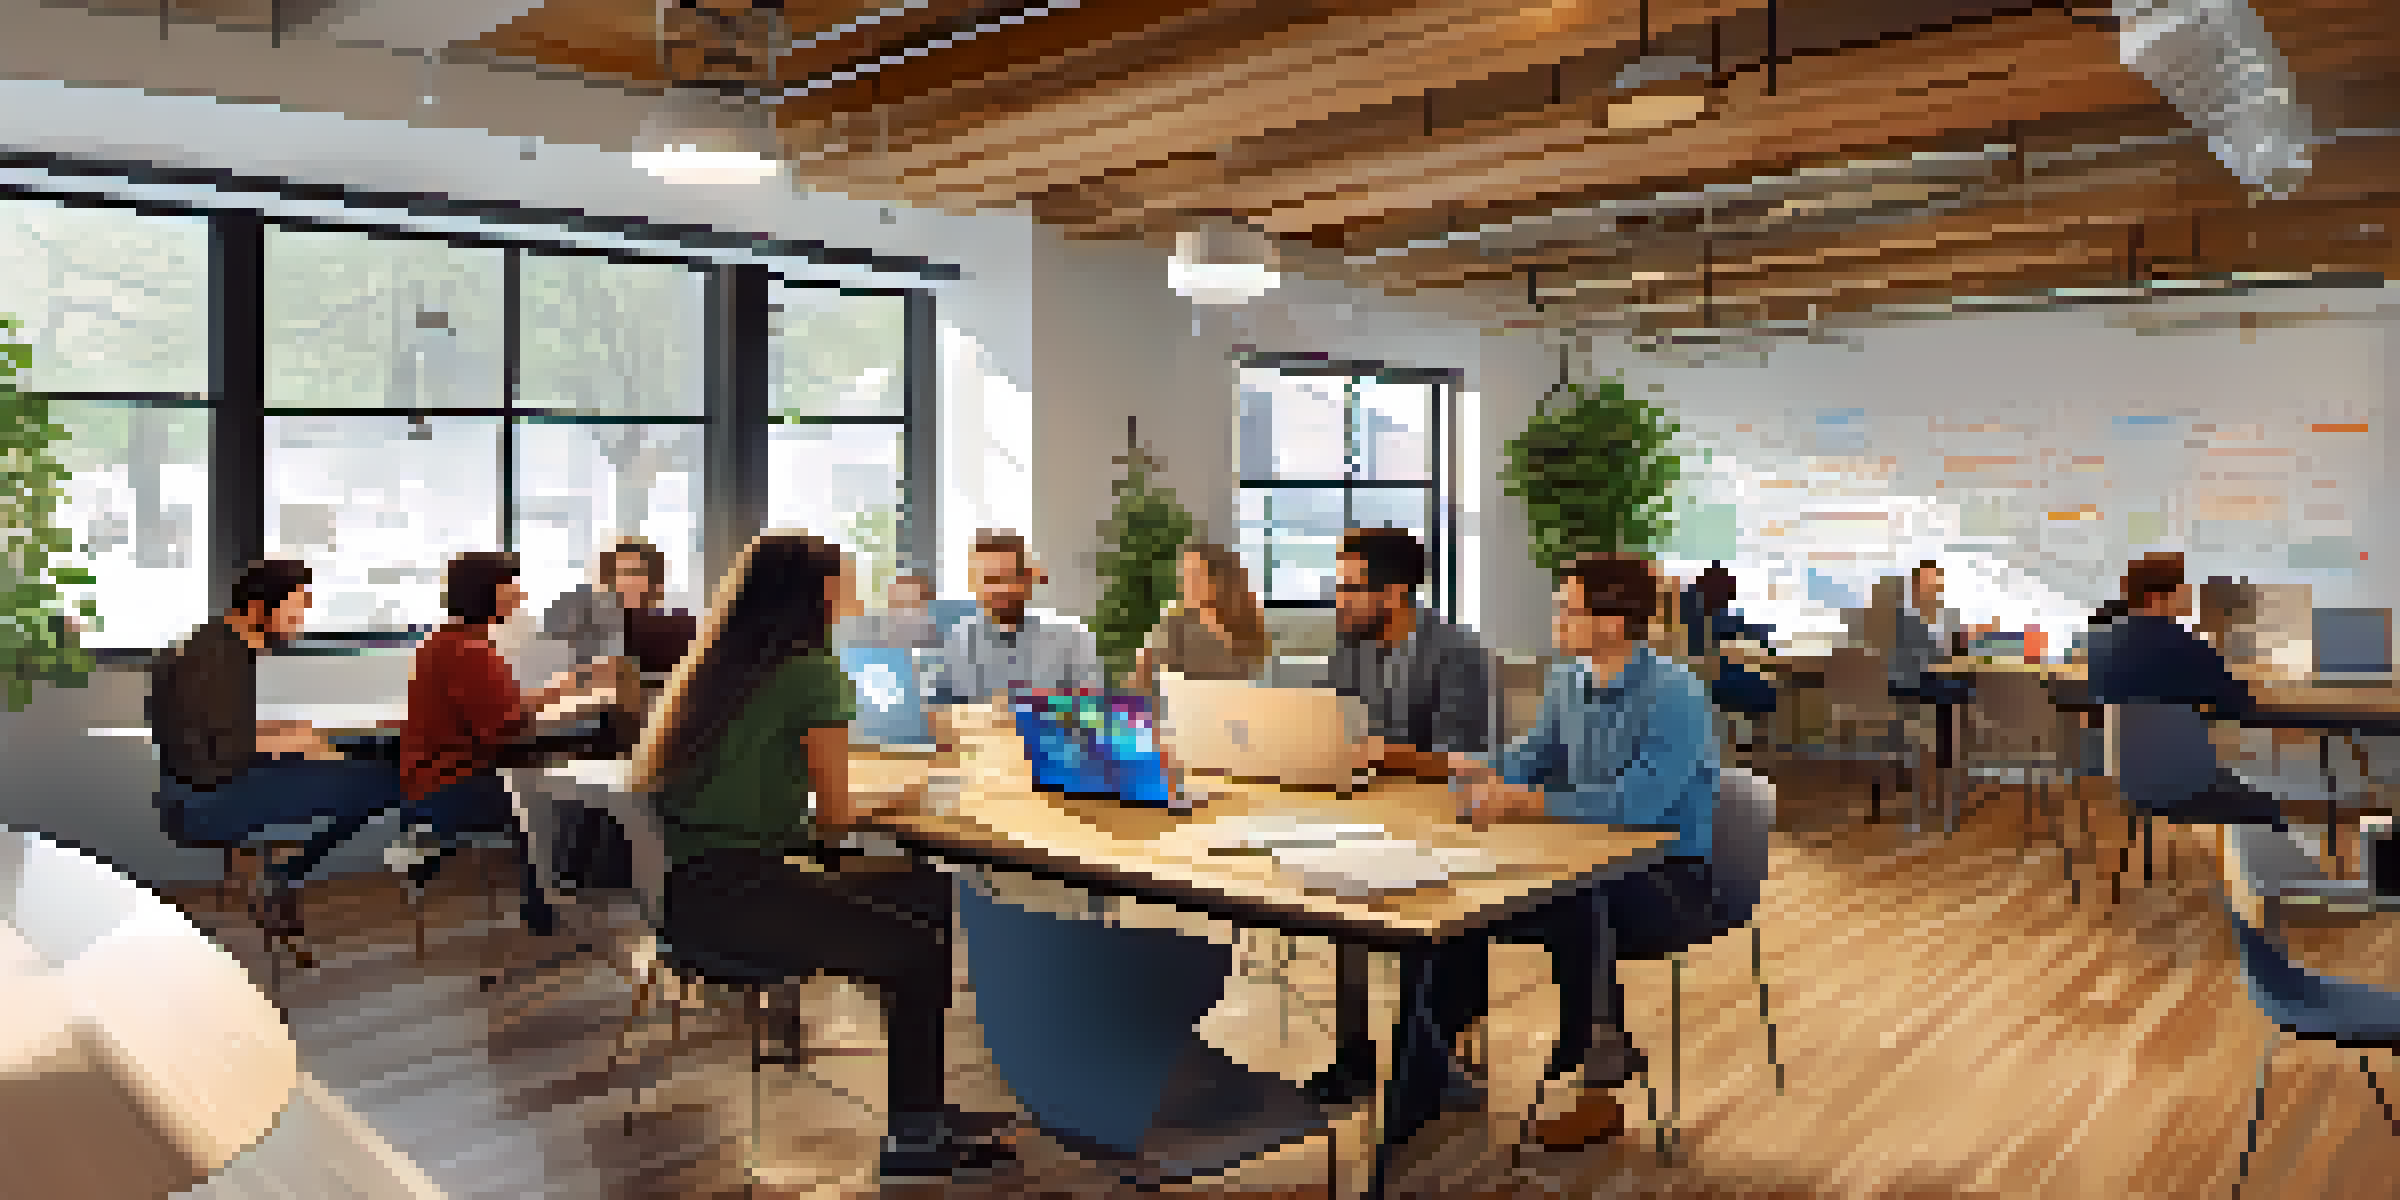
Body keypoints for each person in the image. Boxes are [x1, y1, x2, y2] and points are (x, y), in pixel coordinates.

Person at [629, 531, 1016, 1181]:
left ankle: (923, 1110)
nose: (859, 584)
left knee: (923, 895)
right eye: (848, 575)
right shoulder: (813, 672)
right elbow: (835, 819)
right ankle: (916, 1139)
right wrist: (905, 796)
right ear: (820, 592)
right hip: (742, 897)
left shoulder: (717, 666)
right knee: (919, 944)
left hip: (686, 896)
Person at [1439, 553, 1725, 1149]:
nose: (1556, 621)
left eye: (1567, 611)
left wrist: (1529, 804)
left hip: (1671, 876)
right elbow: (1533, 754)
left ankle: (1597, 1084)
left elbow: (1639, 804)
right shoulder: (1567, 678)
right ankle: (1439, 1061)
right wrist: (1465, 770)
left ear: (1614, 623)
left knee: (1580, 902)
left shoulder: (1677, 693)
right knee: (1459, 899)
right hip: (1583, 856)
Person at [1305, 526, 1492, 1109]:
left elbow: (1464, 759)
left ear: (1396, 592)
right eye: (1337, 587)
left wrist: (1382, 753)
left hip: (1448, 820)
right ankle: (1355, 1056)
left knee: (1434, 909)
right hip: (1371, 809)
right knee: (1338, 900)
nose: (1339, 600)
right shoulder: (1351, 646)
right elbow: (1330, 722)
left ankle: (1432, 1056)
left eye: (1351, 589)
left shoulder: (1456, 650)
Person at [149, 559, 406, 943]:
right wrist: (293, 744)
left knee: (367, 755)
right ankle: (285, 869)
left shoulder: (218, 643)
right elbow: (221, 749)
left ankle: (275, 870)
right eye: (296, 607)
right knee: (393, 775)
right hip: (210, 799)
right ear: (259, 608)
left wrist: (285, 734)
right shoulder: (218, 656)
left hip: (211, 784)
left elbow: (215, 726)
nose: (300, 619)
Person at [397, 551, 606, 939]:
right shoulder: (471, 651)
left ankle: (545, 906)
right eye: (511, 585)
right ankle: (547, 913)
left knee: (552, 790)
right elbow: (504, 728)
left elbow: (500, 707)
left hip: (434, 784)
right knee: (565, 802)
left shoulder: (449, 641)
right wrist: (562, 716)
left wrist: (560, 688)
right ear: (487, 592)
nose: (520, 595)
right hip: (453, 787)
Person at [2083, 553, 2279, 822]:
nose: (2188, 593)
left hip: (2127, 776)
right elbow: (2237, 703)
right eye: (2181, 587)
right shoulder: (2182, 644)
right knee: (2269, 810)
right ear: (2156, 596)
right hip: (2182, 783)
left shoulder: (2102, 642)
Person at [925, 530, 1104, 708]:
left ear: (1027, 579)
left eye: (1009, 577)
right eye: (990, 579)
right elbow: (941, 714)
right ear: (975, 584)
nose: (1000, 588)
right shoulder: (957, 641)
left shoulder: (1072, 638)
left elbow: (1091, 708)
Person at [540, 536, 698, 677]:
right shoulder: (589, 625)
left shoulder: (680, 626)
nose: (629, 581)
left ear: (653, 580)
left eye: (637, 573)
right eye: (620, 574)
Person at [1132, 541, 1270, 691]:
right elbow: (1140, 676)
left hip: (1238, 704)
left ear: (1220, 580)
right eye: (1185, 574)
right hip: (1182, 707)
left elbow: (1258, 674)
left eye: (1195, 574)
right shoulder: (1174, 619)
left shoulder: (1247, 620)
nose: (1187, 583)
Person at [835, 569, 945, 651]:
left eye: (905, 603)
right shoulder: (872, 627)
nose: (897, 611)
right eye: (894, 603)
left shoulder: (932, 637)